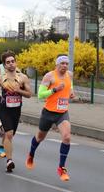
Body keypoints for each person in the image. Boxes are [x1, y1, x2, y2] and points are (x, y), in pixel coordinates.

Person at [25, 54, 75, 182]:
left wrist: (71, 92)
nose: (64, 66)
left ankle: (61, 167)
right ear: (57, 64)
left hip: (62, 113)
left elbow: (70, 85)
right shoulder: (49, 76)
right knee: (40, 137)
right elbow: (40, 95)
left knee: (67, 137)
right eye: (62, 63)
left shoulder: (69, 74)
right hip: (48, 112)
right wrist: (55, 90)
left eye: (66, 63)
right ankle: (31, 154)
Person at [0, 51, 31, 172]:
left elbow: (29, 94)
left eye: (12, 61)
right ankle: (9, 160)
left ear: (15, 63)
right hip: (4, 109)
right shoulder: (0, 78)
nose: (11, 64)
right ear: (4, 65)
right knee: (9, 135)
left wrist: (19, 91)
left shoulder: (23, 78)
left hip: (16, 110)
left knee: (11, 134)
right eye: (8, 62)